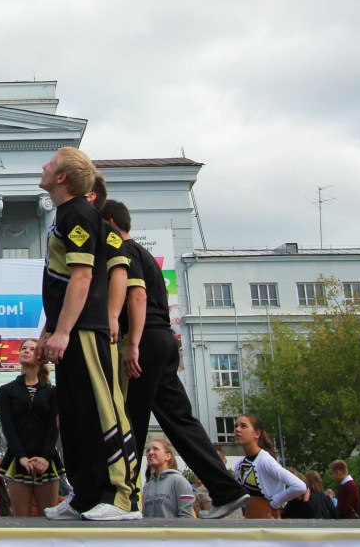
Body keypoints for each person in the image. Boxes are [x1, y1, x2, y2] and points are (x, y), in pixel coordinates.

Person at [100, 199, 250, 520]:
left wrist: (132, 345)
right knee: (179, 420)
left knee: (130, 422)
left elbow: (137, 296)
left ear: (111, 223)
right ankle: (227, 489)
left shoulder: (123, 252)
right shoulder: (144, 254)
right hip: (162, 339)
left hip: (146, 341)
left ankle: (123, 500)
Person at [36, 148, 140, 522]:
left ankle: (121, 496)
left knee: (103, 409)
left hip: (85, 330)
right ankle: (84, 494)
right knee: (76, 414)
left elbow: (82, 276)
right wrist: (51, 329)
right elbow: (61, 280)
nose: (44, 167)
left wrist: (63, 331)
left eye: (50, 163)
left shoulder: (79, 213)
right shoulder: (65, 214)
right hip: (69, 330)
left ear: (62, 177)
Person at [0, 337, 63, 517]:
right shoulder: (6, 391)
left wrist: (45, 456)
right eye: (23, 348)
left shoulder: (52, 391)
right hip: (18, 458)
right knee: (21, 518)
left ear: (41, 357)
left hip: (46, 459)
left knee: (47, 517)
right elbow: (7, 427)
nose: (26, 351)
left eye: (32, 349)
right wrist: (21, 457)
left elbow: (53, 426)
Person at [232, 414, 305, 519]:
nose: (237, 429)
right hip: (249, 524)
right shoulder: (239, 464)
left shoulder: (265, 460)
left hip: (267, 524)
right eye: (236, 426)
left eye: (243, 426)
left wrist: (274, 503)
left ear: (257, 434)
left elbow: (299, 486)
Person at [140, 439, 195, 519]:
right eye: (148, 450)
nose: (150, 452)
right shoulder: (147, 486)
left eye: (155, 449)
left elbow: (187, 517)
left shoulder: (179, 481)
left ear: (168, 456)